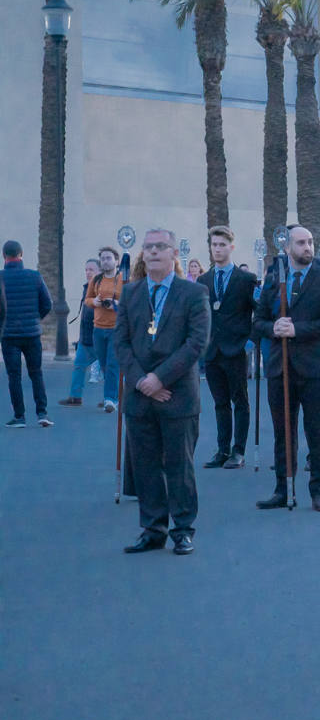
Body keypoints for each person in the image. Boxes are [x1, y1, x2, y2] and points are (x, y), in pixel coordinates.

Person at [115, 228, 210, 555]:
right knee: (145, 466)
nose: (153, 252)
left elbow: (196, 343)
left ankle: (182, 530)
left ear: (174, 253)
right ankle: (153, 529)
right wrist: (143, 381)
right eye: (148, 247)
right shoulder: (131, 293)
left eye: (160, 246)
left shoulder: (193, 293)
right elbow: (121, 342)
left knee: (179, 467)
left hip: (177, 395)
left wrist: (160, 379)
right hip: (140, 395)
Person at [254, 226, 320, 511]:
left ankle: (319, 491)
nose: (307, 247)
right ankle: (283, 489)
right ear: (287, 248)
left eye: (310, 242)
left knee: (318, 433)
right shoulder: (274, 279)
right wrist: (273, 327)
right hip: (280, 368)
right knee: (283, 433)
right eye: (301, 243)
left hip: (316, 369)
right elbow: (258, 320)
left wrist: (297, 329)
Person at [195, 226, 257, 469]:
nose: (218, 249)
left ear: (231, 247)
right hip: (212, 350)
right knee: (220, 402)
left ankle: (238, 451)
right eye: (214, 245)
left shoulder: (246, 279)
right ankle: (222, 449)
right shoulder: (203, 280)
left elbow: (259, 311)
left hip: (236, 349)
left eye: (222, 245)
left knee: (239, 400)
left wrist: (251, 340)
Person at [2, 240, 53, 427]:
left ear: (4, 256)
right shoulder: (35, 276)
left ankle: (19, 416)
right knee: (36, 373)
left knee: (14, 376)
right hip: (32, 334)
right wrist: (35, 319)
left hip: (9, 335)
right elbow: (47, 303)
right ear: (21, 254)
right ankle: (42, 413)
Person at [85, 246, 124, 412]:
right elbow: (87, 299)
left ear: (116, 261)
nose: (105, 261)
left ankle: (110, 399)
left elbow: (131, 302)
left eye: (109, 258)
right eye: (103, 258)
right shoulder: (96, 279)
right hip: (98, 328)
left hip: (116, 329)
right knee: (104, 364)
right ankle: (116, 392)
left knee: (113, 363)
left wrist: (117, 304)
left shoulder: (123, 279)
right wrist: (94, 302)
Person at [59, 258, 101, 406]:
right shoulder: (86, 287)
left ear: (99, 271)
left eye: (91, 270)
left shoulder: (102, 288)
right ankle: (75, 397)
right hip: (85, 338)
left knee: (108, 369)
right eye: (86, 270)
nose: (88, 272)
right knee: (79, 366)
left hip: (99, 337)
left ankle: (112, 398)